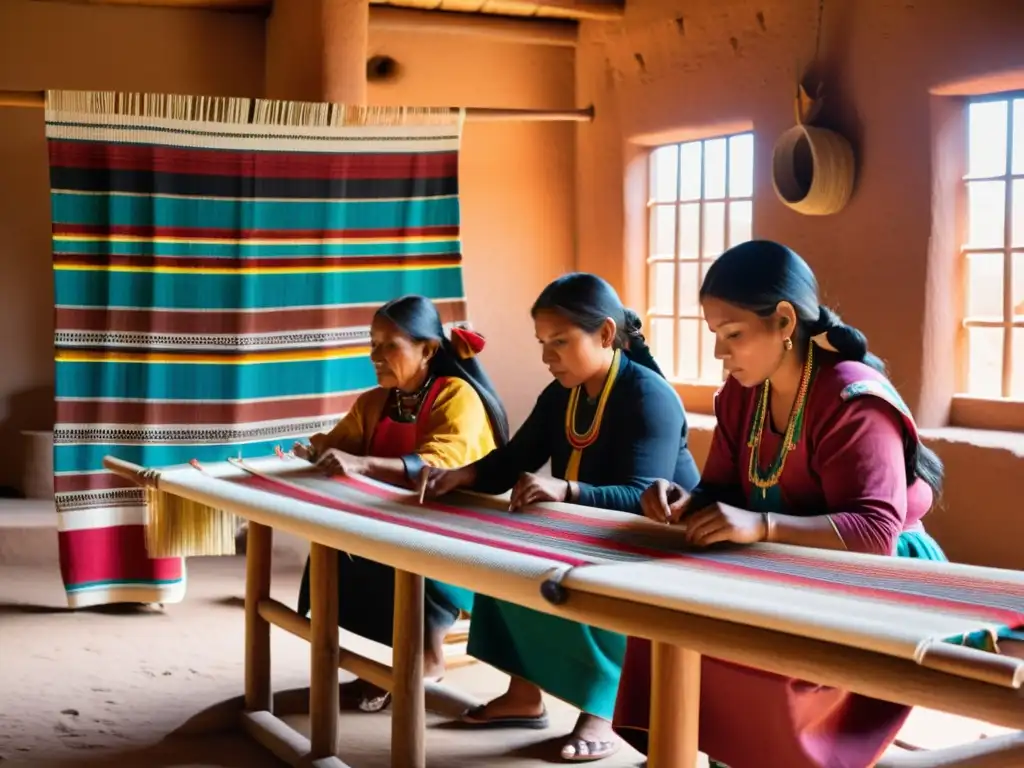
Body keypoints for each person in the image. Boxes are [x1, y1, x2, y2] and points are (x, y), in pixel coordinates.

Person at [612, 240, 948, 768]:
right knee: (663, 610)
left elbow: (873, 533)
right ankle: (685, 749)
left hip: (875, 577)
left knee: (754, 647)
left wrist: (760, 525)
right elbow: (721, 491)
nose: (721, 354)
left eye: (733, 335)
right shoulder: (745, 393)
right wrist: (684, 500)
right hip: (784, 561)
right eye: (716, 337)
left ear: (785, 321)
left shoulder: (853, 398)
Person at [420, 273, 701, 762]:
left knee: (574, 580)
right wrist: (460, 475)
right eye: (543, 344)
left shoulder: (647, 395)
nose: (548, 356)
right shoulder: (561, 394)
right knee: (505, 558)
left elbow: (644, 496)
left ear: (607, 335)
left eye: (561, 342)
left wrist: (565, 489)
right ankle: (524, 696)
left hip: (662, 541)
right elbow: (513, 462)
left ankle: (607, 709)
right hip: (593, 529)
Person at [292, 294, 509, 713]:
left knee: (398, 551)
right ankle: (392, 657)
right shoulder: (376, 402)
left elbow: (441, 464)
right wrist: (316, 452)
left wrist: (362, 463)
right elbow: (341, 444)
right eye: (372, 343)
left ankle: (424, 655)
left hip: (457, 533)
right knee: (337, 544)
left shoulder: (456, 395)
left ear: (428, 349)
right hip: (398, 523)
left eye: (389, 344)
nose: (375, 355)